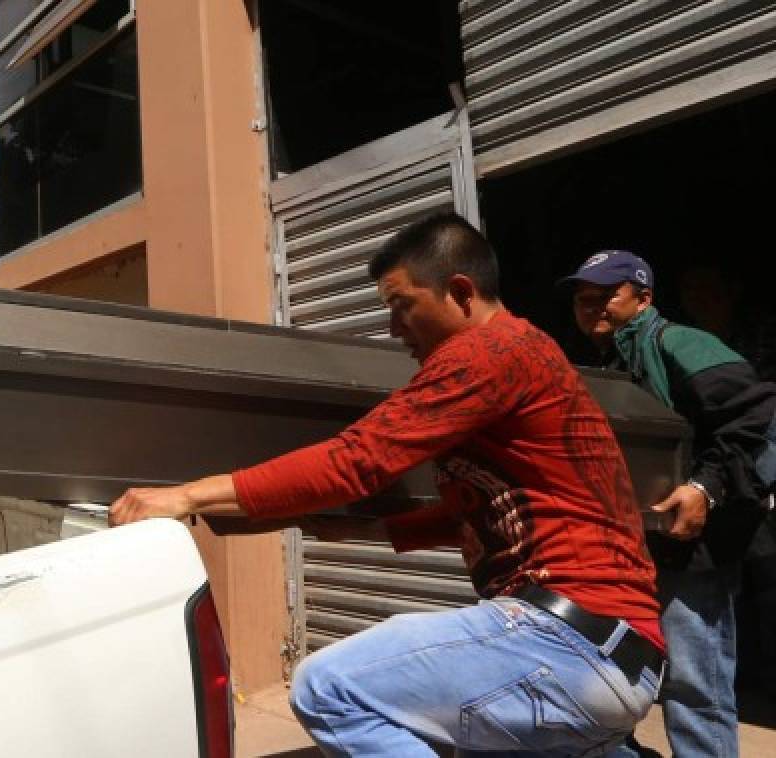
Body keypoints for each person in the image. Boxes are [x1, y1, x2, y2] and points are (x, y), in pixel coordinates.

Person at [112, 213, 665, 757]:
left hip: (564, 640)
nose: (394, 329)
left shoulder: (491, 351)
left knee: (330, 688)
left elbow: (356, 460)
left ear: (460, 292)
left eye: (402, 307)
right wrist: (363, 525)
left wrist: (185, 494)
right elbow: (479, 514)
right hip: (614, 656)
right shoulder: (523, 357)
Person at [559, 250, 776, 757]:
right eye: (581, 299)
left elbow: (756, 414)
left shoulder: (677, 341)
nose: (592, 306)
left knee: (694, 682)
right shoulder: (611, 362)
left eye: (606, 294)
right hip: (635, 546)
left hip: (689, 545)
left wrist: (705, 488)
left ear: (644, 298)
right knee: (618, 672)